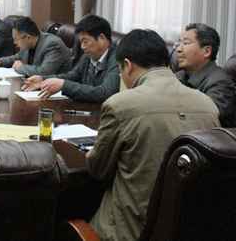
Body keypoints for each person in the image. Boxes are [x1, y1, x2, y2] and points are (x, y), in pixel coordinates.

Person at [86, 29, 219, 241]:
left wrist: (91, 152)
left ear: (127, 65)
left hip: (129, 231)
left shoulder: (120, 105)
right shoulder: (208, 105)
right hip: (189, 228)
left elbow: (98, 170)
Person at [22, 15, 120, 103]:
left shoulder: (117, 59)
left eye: (85, 41)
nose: (82, 47)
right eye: (81, 42)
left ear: (101, 38)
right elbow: (73, 76)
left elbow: (105, 93)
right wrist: (43, 79)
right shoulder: (88, 56)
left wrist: (64, 85)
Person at [175, 23, 236, 127]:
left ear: (207, 51)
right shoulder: (178, 76)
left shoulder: (221, 83)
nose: (178, 49)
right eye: (179, 43)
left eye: (185, 43)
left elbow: (205, 119)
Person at [0, 16, 72, 76]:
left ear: (27, 37)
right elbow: (18, 56)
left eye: (16, 39)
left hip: (56, 91)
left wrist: (21, 67)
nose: (14, 43)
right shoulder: (29, 43)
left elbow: (44, 72)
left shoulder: (52, 44)